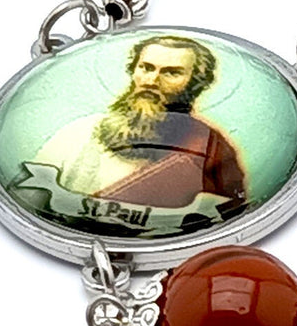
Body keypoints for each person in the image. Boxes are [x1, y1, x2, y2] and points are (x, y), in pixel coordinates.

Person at [29, 35, 247, 211]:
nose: (151, 81)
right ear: (133, 70)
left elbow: (224, 210)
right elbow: (32, 194)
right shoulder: (79, 132)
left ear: (195, 83)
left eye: (172, 73)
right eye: (146, 68)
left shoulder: (210, 149)